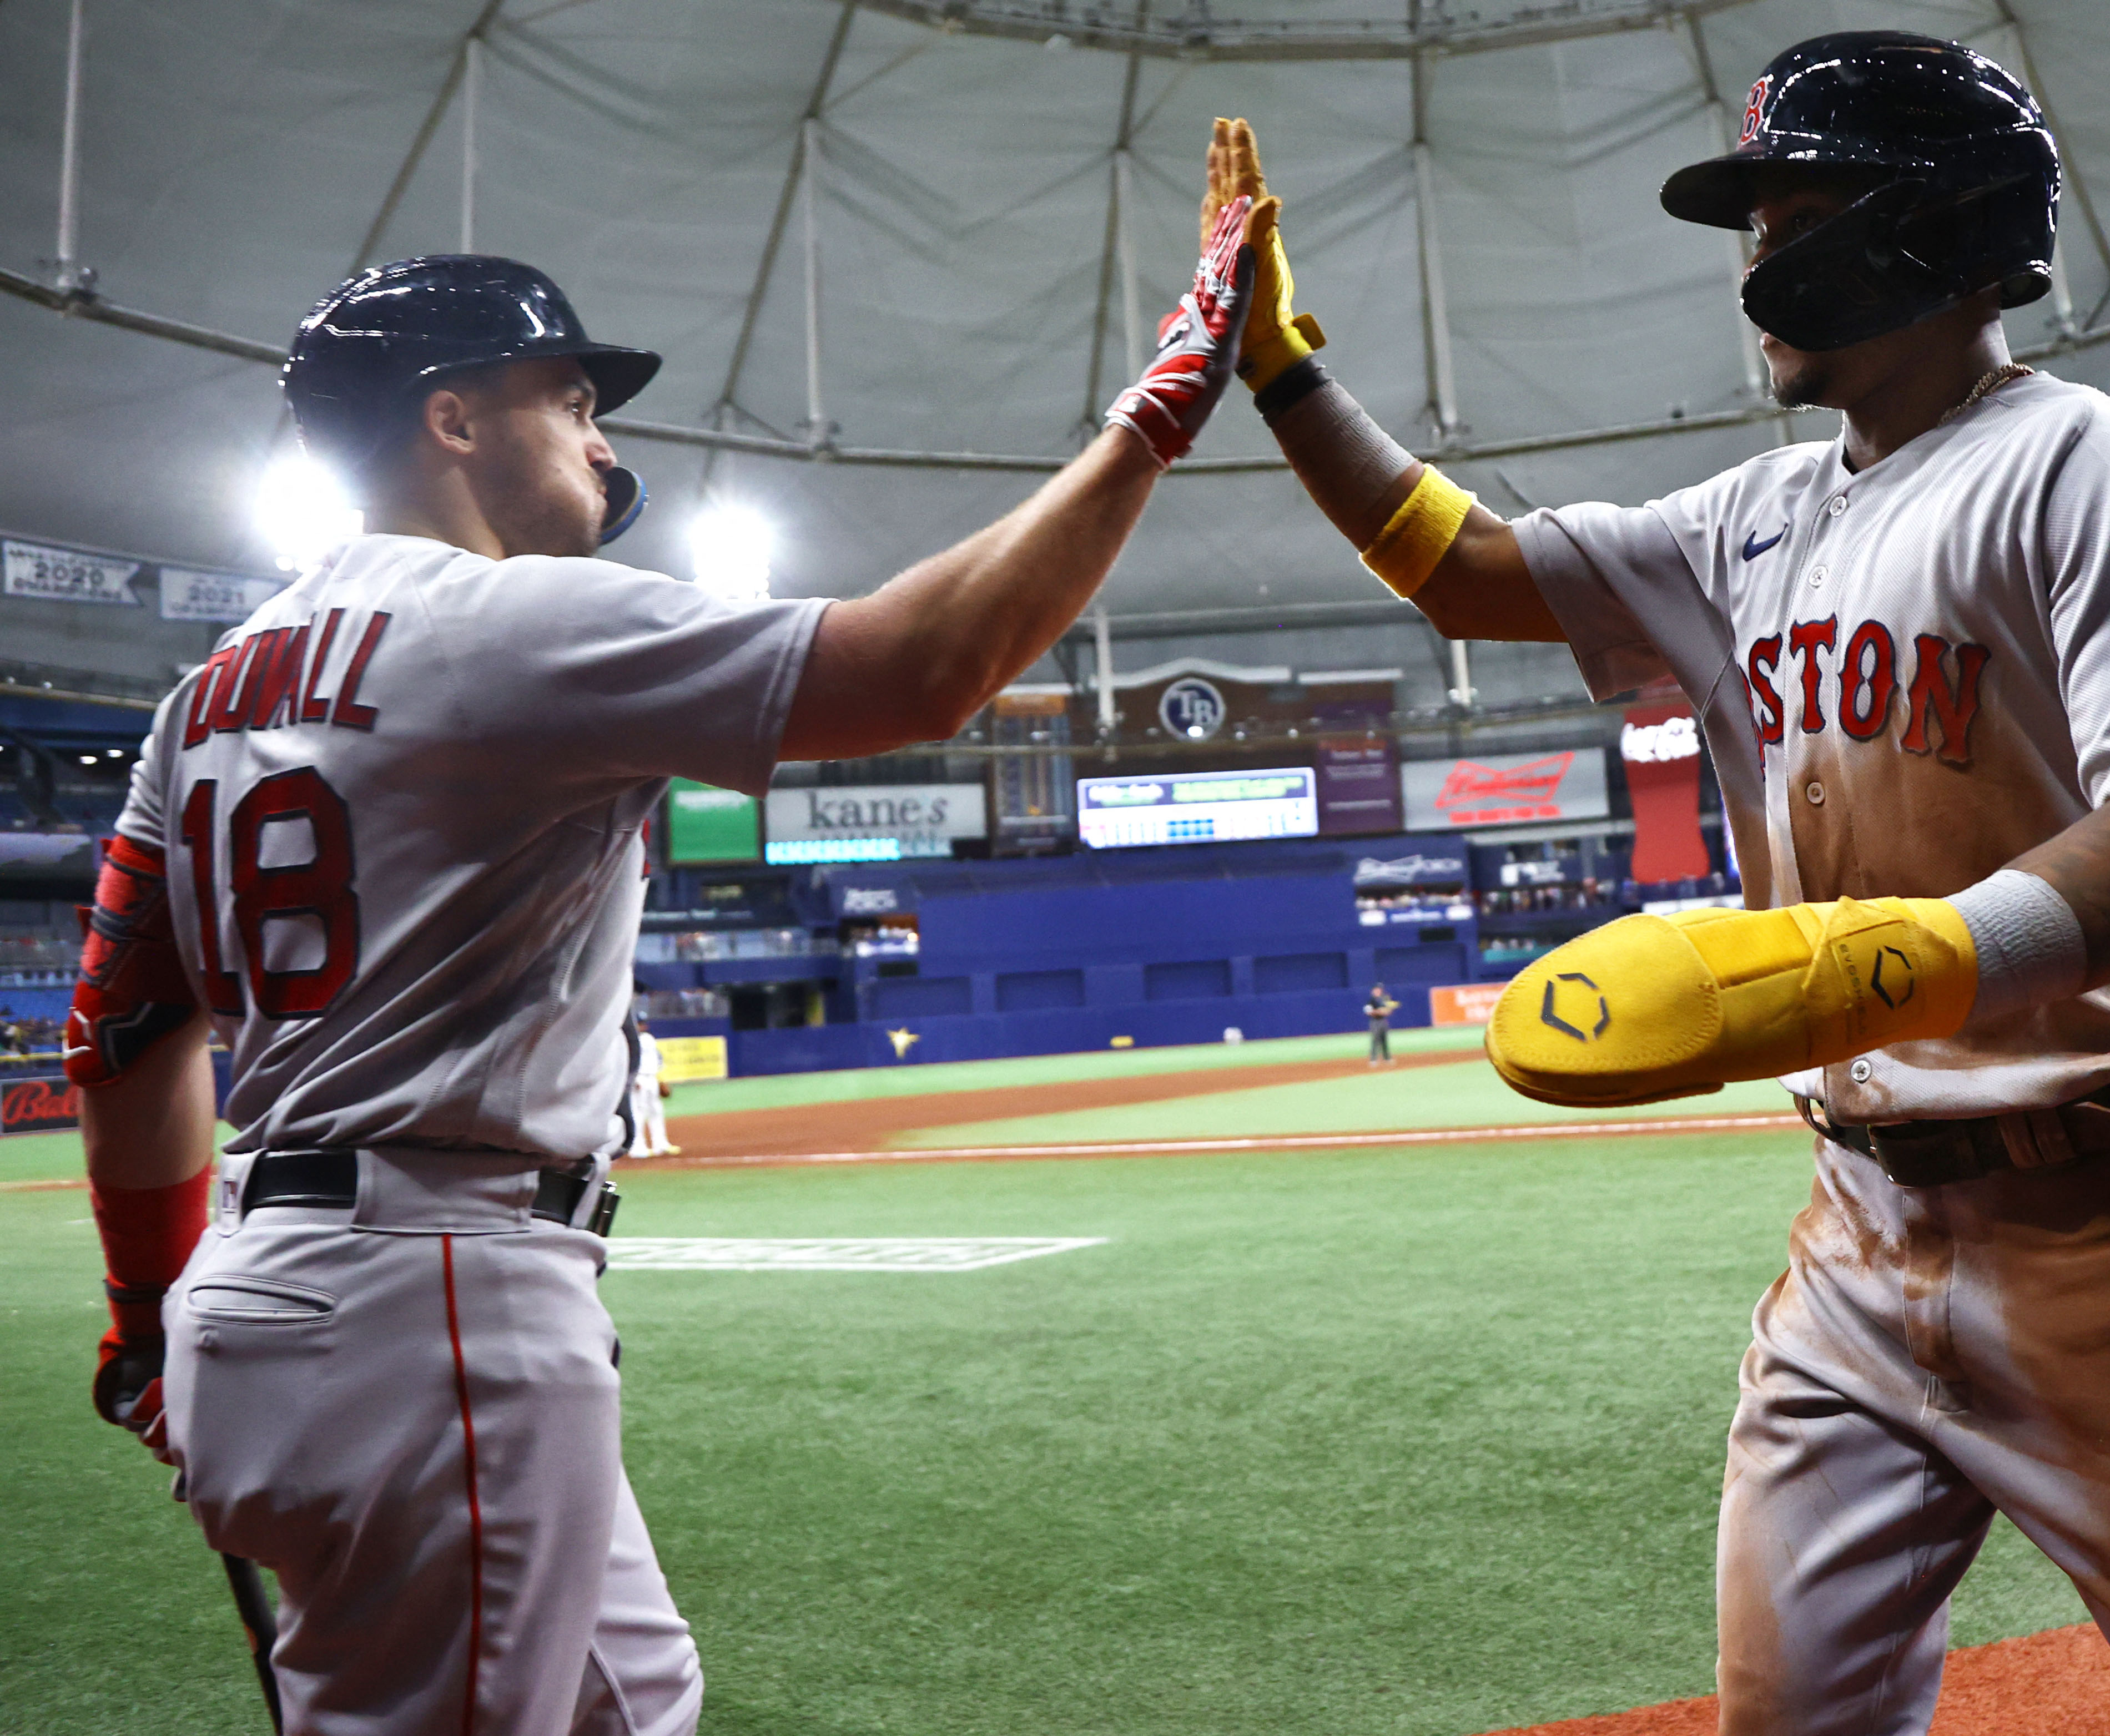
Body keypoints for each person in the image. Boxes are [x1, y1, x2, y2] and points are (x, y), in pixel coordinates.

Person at [1212, 29, 2110, 1735]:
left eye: (1792, 208)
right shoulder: (1742, 521)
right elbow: (1458, 566)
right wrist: (1280, 370)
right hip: (1857, 1229)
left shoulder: (2097, 472)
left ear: (1929, 226)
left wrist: (1870, 966)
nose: (1756, 258)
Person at [72, 203, 1254, 1736]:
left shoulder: (203, 695)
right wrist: (1151, 419)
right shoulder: (501, 626)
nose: (600, 444)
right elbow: (919, 669)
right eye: (566, 402)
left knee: (634, 1707)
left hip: (267, 1289)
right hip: (434, 1298)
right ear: (453, 416)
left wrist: (150, 1314)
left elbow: (121, 1036)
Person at [628, 1013, 679, 1159]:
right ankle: (637, 1147)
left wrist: (661, 1079)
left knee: (656, 1110)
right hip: (639, 1079)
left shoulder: (649, 1039)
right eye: (639, 1023)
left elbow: (657, 1059)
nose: (642, 1025)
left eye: (643, 1022)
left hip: (652, 1079)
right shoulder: (628, 1039)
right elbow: (625, 1060)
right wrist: (633, 1079)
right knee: (639, 1113)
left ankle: (661, 1144)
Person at [1363, 981, 1399, 1066]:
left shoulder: (1384, 999)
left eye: (1380, 989)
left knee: (1384, 1040)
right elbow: (1368, 1012)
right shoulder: (1371, 1001)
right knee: (1375, 1040)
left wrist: (1387, 1011)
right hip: (1375, 1022)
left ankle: (1387, 1058)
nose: (1379, 991)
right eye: (1377, 989)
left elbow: (1389, 1010)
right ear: (1373, 991)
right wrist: (1379, 1012)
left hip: (1383, 1021)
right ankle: (1373, 1060)